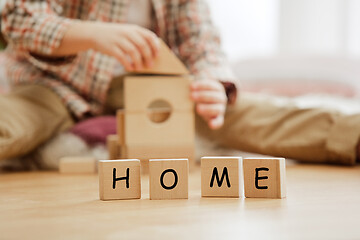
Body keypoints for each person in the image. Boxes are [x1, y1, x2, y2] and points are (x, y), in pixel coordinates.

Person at [0, 0, 359, 166]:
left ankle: (352, 135)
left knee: (249, 114)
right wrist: (89, 34)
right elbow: (16, 17)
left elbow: (200, 41)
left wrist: (212, 84)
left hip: (148, 88)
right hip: (51, 85)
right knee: (14, 121)